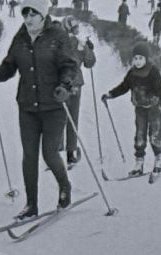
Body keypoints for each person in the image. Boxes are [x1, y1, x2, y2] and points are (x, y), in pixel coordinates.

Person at [0, 0, 80, 221]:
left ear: (43, 15)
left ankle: (65, 187)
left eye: (32, 15)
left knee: (49, 153)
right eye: (25, 15)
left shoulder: (58, 36)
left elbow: (70, 65)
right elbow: (9, 66)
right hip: (27, 106)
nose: (27, 19)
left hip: (54, 105)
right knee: (29, 155)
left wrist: (64, 86)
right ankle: (31, 204)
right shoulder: (20, 38)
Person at [104, 40, 161, 178]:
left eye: (140, 58)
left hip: (154, 108)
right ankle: (139, 164)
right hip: (140, 109)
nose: (138, 61)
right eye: (135, 58)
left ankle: (158, 161)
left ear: (146, 58)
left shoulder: (152, 71)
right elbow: (124, 87)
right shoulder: (132, 73)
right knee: (140, 137)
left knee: (154, 136)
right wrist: (111, 94)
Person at [63, 21, 96, 165]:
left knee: (57, 116)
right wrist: (89, 49)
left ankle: (55, 152)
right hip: (75, 83)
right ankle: (70, 153)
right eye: (76, 27)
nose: (77, 29)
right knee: (72, 116)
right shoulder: (79, 43)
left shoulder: (56, 42)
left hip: (59, 84)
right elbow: (90, 62)